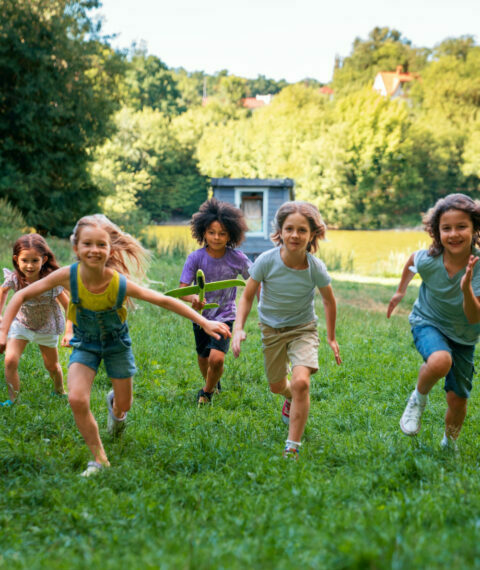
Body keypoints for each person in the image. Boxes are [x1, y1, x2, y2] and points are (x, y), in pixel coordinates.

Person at [0, 214, 231, 476]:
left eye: (101, 245)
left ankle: (116, 409)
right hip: (85, 344)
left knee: (125, 404)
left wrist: (204, 322)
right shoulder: (67, 275)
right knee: (76, 398)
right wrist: (3, 331)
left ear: (109, 250)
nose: (94, 250)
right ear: (76, 248)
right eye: (87, 244)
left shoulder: (116, 281)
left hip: (116, 345)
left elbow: (163, 300)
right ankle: (99, 459)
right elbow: (21, 295)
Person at [232, 201, 341, 460]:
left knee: (301, 382)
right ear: (279, 231)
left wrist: (332, 337)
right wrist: (238, 328)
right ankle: (289, 397)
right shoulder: (266, 261)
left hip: (304, 329)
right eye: (289, 229)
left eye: (302, 230)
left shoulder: (315, 268)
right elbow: (247, 296)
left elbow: (329, 300)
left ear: (312, 234)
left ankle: (292, 446)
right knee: (278, 385)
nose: (295, 235)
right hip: (271, 331)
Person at [387, 193, 480, 451]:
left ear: (474, 229)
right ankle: (418, 398)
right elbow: (411, 262)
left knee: (458, 399)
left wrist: (466, 289)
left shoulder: (479, 266)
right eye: (446, 228)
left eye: (462, 226)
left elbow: (474, 317)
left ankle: (449, 445)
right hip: (428, 321)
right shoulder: (429, 258)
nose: (454, 234)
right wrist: (400, 291)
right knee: (440, 360)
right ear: (437, 232)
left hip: (465, 335)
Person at [179, 198, 251, 405]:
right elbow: (182, 291)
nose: (217, 237)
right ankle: (212, 383)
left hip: (225, 316)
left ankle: (206, 393)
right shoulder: (195, 258)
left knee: (216, 358)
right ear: (203, 232)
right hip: (201, 317)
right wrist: (192, 298)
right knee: (203, 358)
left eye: (222, 233)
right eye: (211, 232)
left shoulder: (237, 258)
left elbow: (254, 281)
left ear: (231, 234)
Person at [0, 234, 69, 405]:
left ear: (44, 259)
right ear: (16, 259)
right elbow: (3, 291)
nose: (29, 266)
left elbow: (69, 305)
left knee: (52, 366)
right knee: (10, 360)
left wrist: (71, 328)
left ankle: (59, 391)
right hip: (22, 324)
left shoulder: (51, 280)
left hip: (47, 327)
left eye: (34, 261)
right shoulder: (15, 278)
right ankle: (13, 400)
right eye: (25, 260)